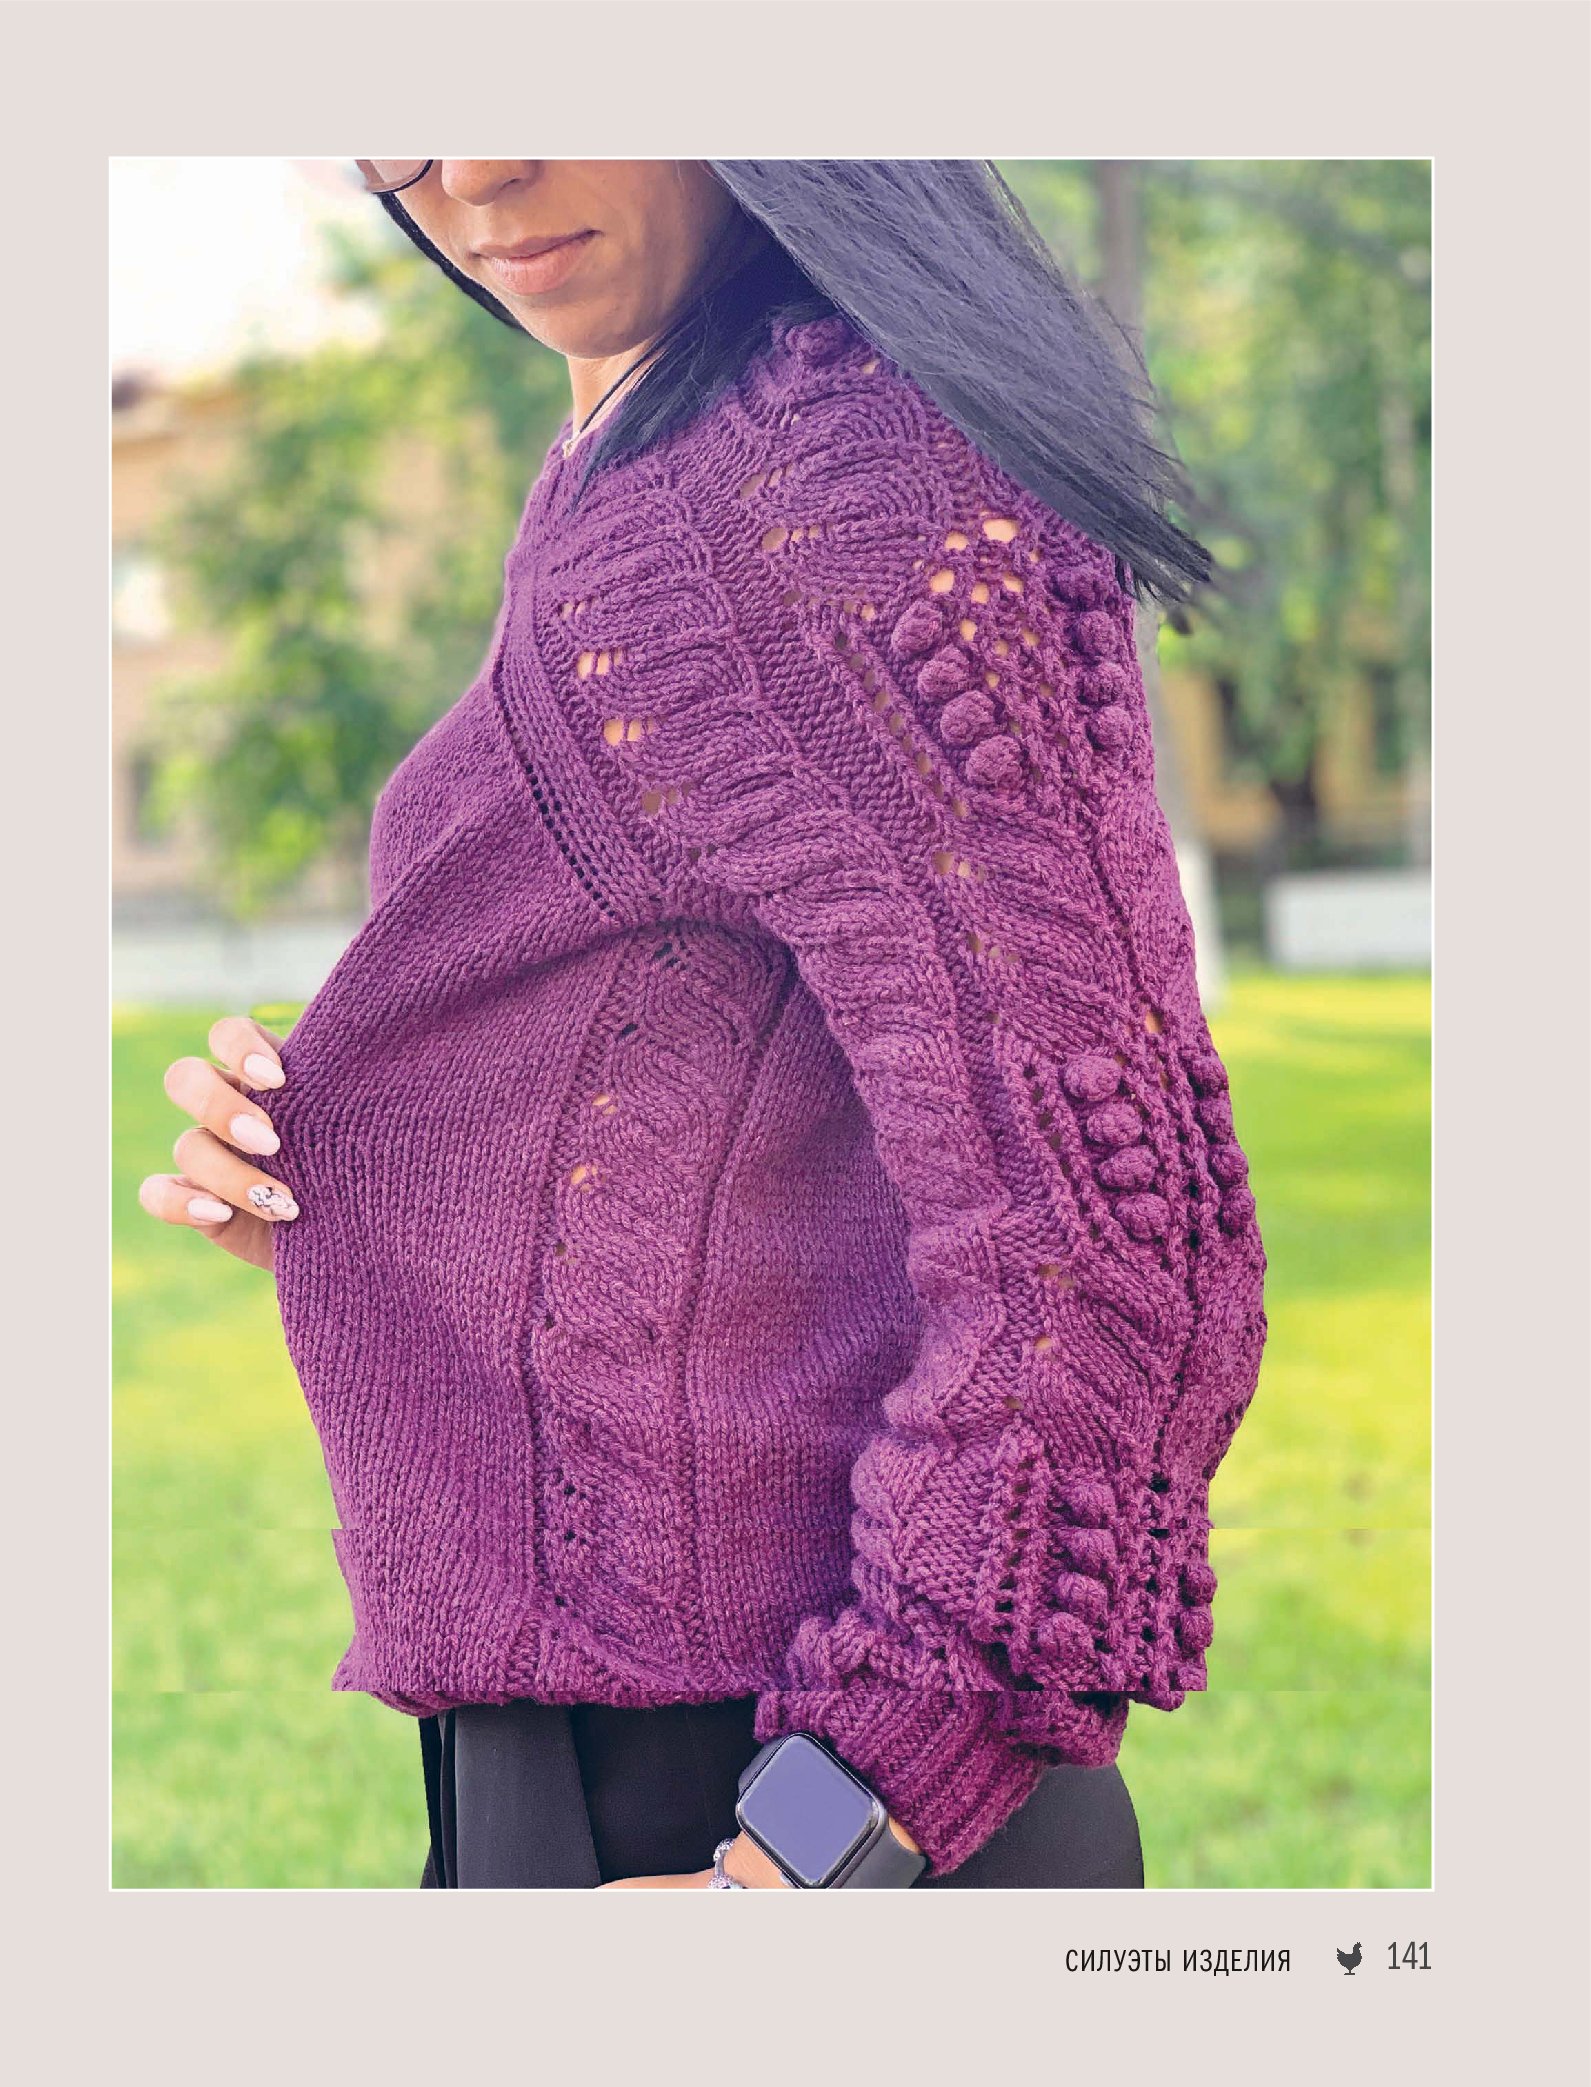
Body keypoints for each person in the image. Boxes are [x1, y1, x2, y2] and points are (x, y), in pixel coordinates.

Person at [138, 160, 1268, 1889]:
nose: (473, 171)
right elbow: (740, 1077)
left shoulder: (846, 485)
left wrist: (804, 1861)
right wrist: (375, 1185)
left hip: (786, 1799)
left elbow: (1118, 1245)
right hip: (607, 1763)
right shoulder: (642, 441)